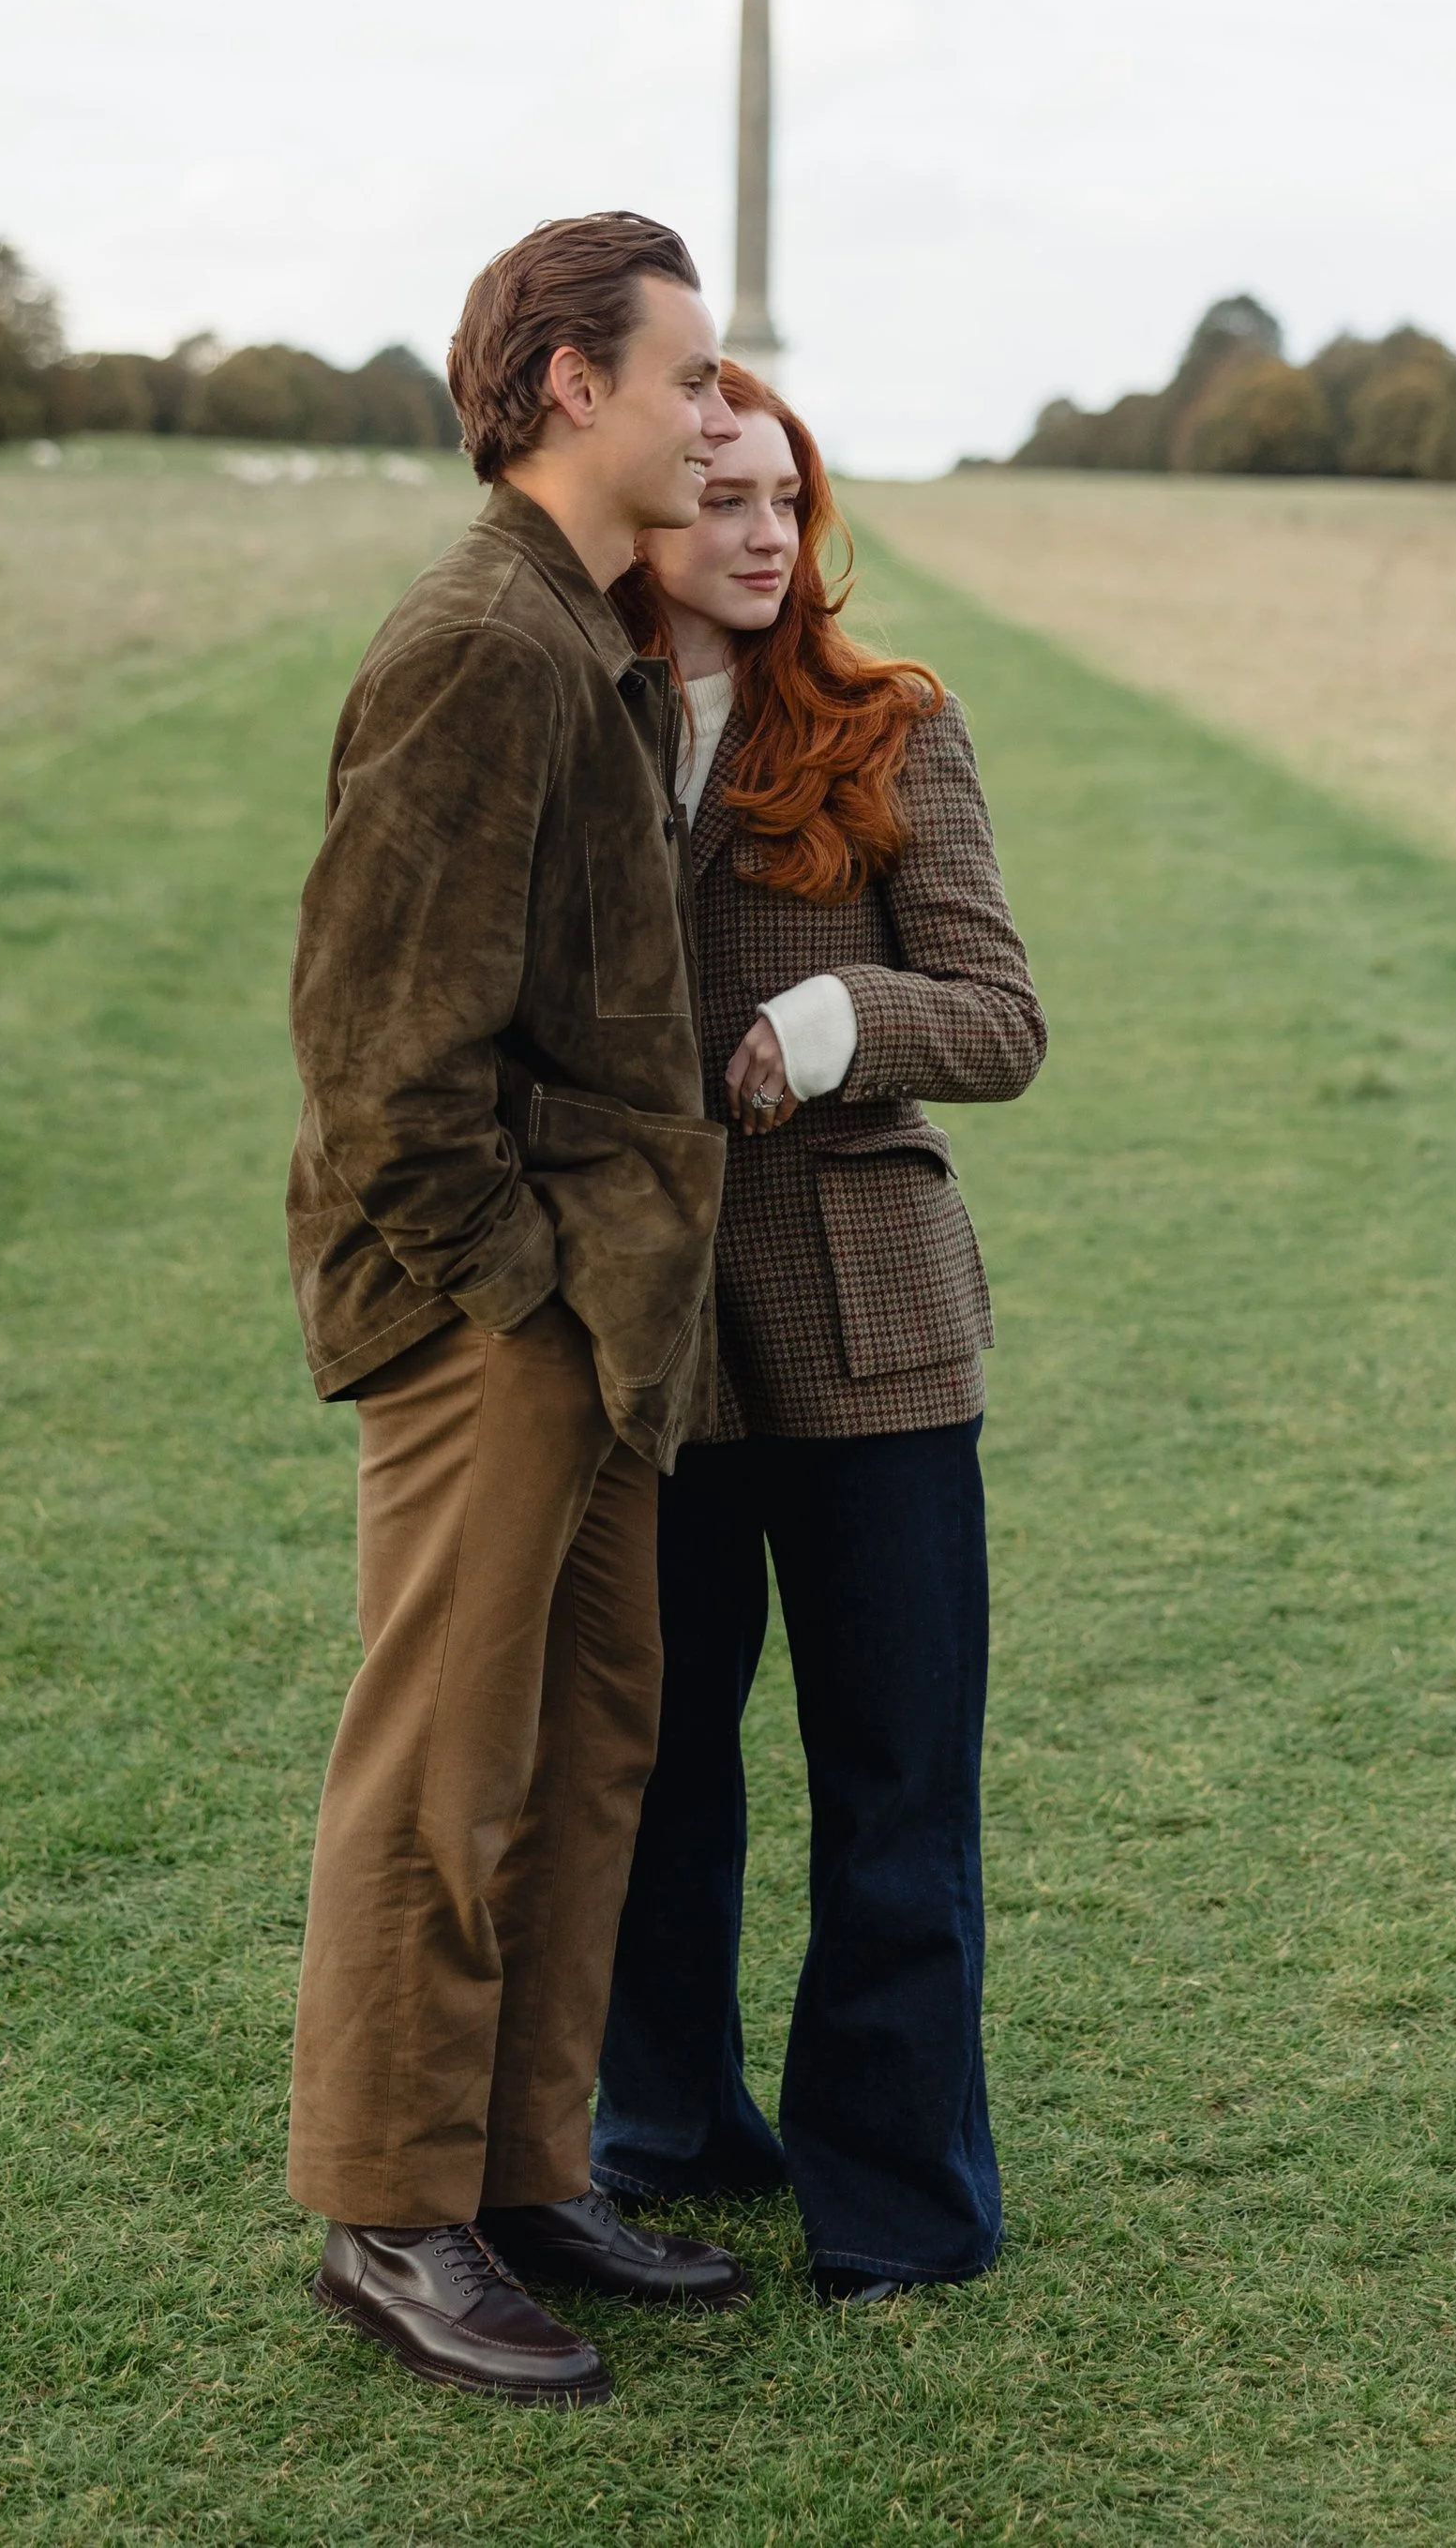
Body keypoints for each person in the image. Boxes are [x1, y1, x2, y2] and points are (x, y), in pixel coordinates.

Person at [283, 214, 754, 2408]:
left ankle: (522, 2173)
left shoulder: (592, 633)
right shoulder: (483, 638)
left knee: (585, 1757)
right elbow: (379, 1048)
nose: (719, 411)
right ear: (573, 384)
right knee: (444, 1776)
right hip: (504, 1316)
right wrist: (519, 1295)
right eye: (691, 376)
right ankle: (390, 2214)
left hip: (599, 1313)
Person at [593, 363, 1047, 2301]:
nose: (766, 534)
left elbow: (999, 1019)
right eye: (719, 499)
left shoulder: (887, 723)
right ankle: (667, 2129)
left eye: (787, 497)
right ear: (636, 512)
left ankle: (896, 2204)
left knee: (891, 1783)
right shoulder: (570, 718)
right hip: (647, 1343)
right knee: (654, 1769)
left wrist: (840, 1023)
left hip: (870, 1333)